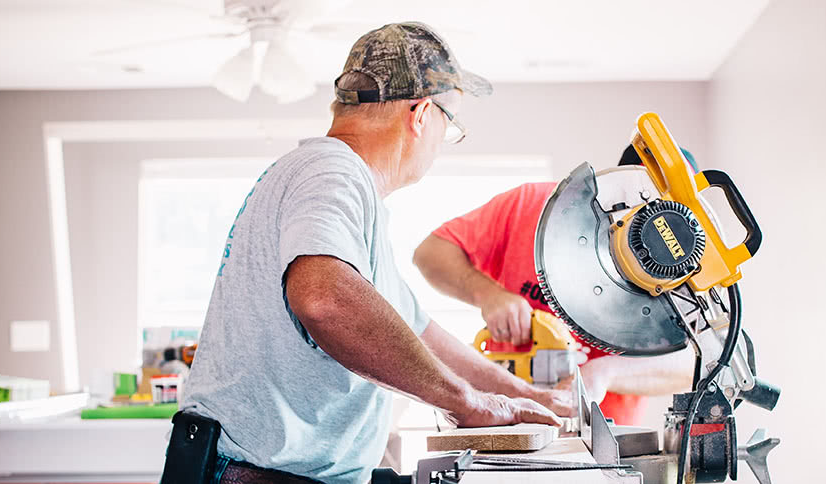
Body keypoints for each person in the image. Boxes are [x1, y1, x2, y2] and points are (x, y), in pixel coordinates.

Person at [179, 22, 570, 484]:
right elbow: (324, 300)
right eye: (451, 125)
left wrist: (521, 395)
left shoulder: (336, 186)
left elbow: (418, 332)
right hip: (257, 474)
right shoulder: (333, 170)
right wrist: (464, 402)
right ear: (421, 114)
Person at [413, 145, 700, 426]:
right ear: (616, 181)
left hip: (603, 436)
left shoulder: (682, 269)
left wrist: (605, 372)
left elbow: (695, 364)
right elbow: (430, 253)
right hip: (504, 419)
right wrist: (487, 294)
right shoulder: (532, 205)